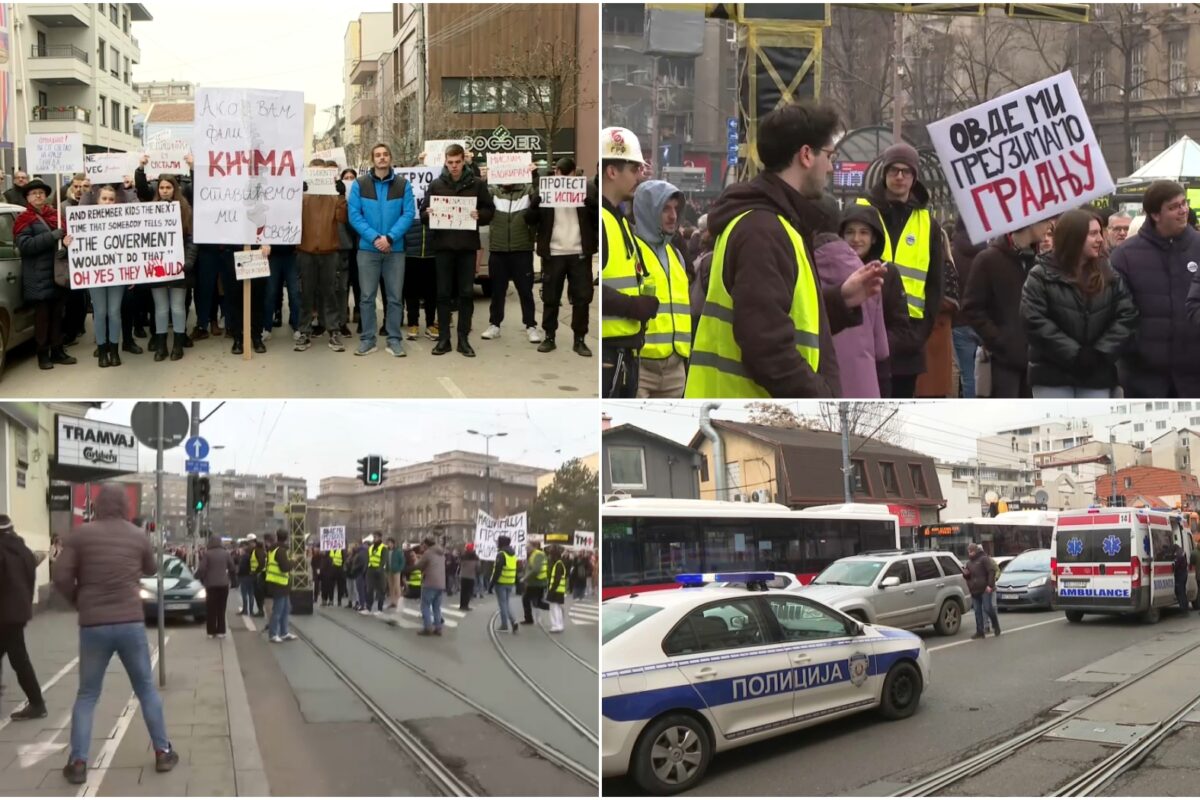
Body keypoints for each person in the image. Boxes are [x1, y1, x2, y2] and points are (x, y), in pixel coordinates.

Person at [685, 103, 885, 398]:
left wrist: (840, 300)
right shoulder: (764, 230)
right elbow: (767, 346)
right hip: (750, 405)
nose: (831, 167)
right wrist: (822, 397)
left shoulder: (770, 222)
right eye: (830, 156)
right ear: (806, 155)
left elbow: (778, 314)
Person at [53, 485, 178, 784]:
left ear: (97, 505)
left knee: (87, 694)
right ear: (125, 507)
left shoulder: (80, 534)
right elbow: (150, 568)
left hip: (93, 625)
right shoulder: (137, 536)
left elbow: (60, 575)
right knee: (146, 689)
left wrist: (78, 600)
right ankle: (162, 752)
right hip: (130, 621)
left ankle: (79, 762)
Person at [855, 143, 944, 398]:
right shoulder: (862, 209)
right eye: (894, 170)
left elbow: (935, 284)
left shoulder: (927, 222)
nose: (900, 177)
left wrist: (920, 334)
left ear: (914, 177)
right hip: (867, 328)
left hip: (909, 336)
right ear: (885, 173)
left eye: (906, 171)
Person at [1021, 208, 1139, 399]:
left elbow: (1126, 315)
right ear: (1073, 237)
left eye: (1100, 233)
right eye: (1093, 234)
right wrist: (1075, 354)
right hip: (1052, 375)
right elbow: (1033, 320)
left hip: (1097, 374)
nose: (1100, 239)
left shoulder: (1109, 274)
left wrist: (1100, 353)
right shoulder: (1040, 275)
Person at [1116, 180, 1200, 396]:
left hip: (1194, 376)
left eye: (1184, 203)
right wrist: (1135, 349)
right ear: (1155, 215)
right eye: (1174, 207)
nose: (1183, 211)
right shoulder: (1125, 256)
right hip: (1143, 378)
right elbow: (1117, 313)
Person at [961, 217, 1051, 398]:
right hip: (1002, 363)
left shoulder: (1039, 262)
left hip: (1036, 361)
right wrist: (999, 341)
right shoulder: (988, 259)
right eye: (1045, 221)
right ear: (1029, 221)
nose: (1049, 226)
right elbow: (972, 308)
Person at [420, 144, 494, 357]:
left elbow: (490, 210)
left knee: (465, 294)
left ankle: (463, 339)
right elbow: (423, 215)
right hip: (443, 248)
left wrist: (480, 215)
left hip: (466, 248)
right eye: (450, 162)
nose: (454, 166)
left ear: (464, 161)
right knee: (443, 294)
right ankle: (444, 339)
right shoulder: (435, 185)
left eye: (457, 162)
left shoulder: (477, 185)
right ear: (445, 162)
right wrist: (429, 212)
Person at [600, 126, 658, 397]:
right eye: (634, 168)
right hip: (609, 353)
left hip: (623, 350)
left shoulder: (618, 218)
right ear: (612, 172)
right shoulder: (601, 219)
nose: (640, 174)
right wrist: (633, 306)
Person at [348, 143, 415, 357]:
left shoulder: (403, 185)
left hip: (395, 250)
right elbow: (354, 216)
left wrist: (390, 238)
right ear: (372, 159)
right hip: (368, 249)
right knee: (367, 297)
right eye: (378, 155)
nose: (382, 158)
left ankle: (394, 339)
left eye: (385, 154)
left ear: (390, 158)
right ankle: (368, 339)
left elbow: (408, 214)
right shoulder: (360, 184)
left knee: (395, 297)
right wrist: (376, 238)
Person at [529, 156, 596, 356]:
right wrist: (536, 203)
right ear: (555, 173)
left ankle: (580, 339)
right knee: (551, 297)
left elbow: (596, 220)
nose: (564, 177)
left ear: (574, 174)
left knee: (582, 298)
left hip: (579, 253)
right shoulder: (545, 192)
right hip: (554, 252)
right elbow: (530, 219)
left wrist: (589, 203)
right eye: (560, 172)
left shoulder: (587, 191)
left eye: (567, 173)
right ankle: (550, 336)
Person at [632, 179, 692, 397]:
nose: (673, 216)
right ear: (648, 211)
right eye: (665, 208)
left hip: (676, 366)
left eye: (676, 209)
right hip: (641, 364)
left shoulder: (676, 255)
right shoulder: (632, 251)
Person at [825, 206, 890, 397]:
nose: (856, 239)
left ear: (874, 237)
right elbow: (881, 347)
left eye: (863, 232)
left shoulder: (807, 268)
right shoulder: (877, 274)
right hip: (864, 375)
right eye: (850, 232)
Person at [16, 178, 77, 370]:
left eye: (41, 193)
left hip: (57, 274)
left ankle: (57, 351)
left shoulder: (56, 216)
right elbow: (25, 246)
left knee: (58, 315)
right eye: (34, 193)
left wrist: (65, 246)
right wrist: (51, 237)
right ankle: (43, 354)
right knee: (42, 318)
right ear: (27, 197)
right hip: (38, 277)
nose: (38, 196)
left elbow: (68, 239)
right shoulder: (23, 220)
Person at [481, 164, 541, 343]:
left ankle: (531, 326)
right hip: (498, 249)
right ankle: (495, 325)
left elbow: (541, 195)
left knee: (525, 291)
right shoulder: (492, 191)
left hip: (522, 248)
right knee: (497, 291)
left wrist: (535, 174)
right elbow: (479, 196)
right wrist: (478, 171)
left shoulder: (528, 189)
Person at [295, 159, 348, 352]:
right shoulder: (303, 197)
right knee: (306, 293)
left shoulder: (333, 198)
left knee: (330, 293)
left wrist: (341, 195)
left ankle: (333, 331)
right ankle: (304, 331)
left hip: (329, 252)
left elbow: (342, 218)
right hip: (306, 251)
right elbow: (291, 216)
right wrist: (298, 193)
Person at [141, 172, 194, 361]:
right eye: (161, 188)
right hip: (157, 268)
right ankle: (161, 345)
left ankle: (178, 345)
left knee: (178, 307)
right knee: (161, 308)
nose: (164, 191)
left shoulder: (186, 209)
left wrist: (187, 262)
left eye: (168, 188)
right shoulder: (150, 210)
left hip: (179, 268)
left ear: (175, 189)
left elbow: (191, 240)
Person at [0, 515, 46, 721]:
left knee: (19, 659)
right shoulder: (25, 551)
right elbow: (29, 579)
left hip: (4, 614)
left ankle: (37, 704)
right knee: (16, 657)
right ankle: (36, 703)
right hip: (18, 611)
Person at [949, 217, 985, 398]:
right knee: (989, 371)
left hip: (959, 322)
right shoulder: (988, 253)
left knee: (968, 375)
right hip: (985, 322)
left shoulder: (952, 255)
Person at [402, 189, 438, 342]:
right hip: (411, 256)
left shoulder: (434, 202)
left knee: (431, 293)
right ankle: (413, 323)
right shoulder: (406, 206)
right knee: (411, 293)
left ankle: (430, 324)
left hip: (432, 256)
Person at [197, 534, 236, 639]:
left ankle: (211, 631)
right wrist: (233, 580)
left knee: (211, 608)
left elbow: (201, 569)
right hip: (223, 584)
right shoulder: (226, 554)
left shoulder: (207, 554)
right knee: (221, 608)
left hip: (210, 585)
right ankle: (221, 631)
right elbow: (232, 567)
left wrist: (201, 579)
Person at [337, 167, 360, 337]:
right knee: (341, 284)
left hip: (359, 246)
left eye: (352, 177)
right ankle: (342, 315)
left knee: (359, 282)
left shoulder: (359, 198)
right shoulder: (337, 199)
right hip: (343, 247)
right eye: (346, 177)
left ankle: (359, 312)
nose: (349, 179)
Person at [263, 531, 296, 643]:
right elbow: (285, 567)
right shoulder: (281, 551)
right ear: (286, 538)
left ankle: (284, 632)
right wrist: (293, 561)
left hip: (280, 584)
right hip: (279, 584)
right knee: (278, 610)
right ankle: (273, 634)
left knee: (285, 609)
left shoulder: (273, 550)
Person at [962, 542, 1000, 639]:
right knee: (977, 611)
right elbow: (968, 576)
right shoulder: (969, 563)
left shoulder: (984, 559)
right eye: (968, 551)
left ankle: (995, 625)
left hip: (985, 589)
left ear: (975, 551)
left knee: (988, 608)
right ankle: (980, 631)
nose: (970, 553)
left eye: (971, 551)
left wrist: (990, 585)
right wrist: (965, 574)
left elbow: (991, 571)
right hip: (974, 590)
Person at [415, 536, 446, 635]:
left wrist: (417, 561)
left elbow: (419, 566)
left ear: (426, 544)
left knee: (425, 605)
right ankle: (438, 628)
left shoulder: (428, 553)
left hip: (430, 582)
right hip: (441, 583)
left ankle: (427, 628)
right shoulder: (441, 553)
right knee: (437, 607)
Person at [492, 535, 519, 634]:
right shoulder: (512, 554)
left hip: (501, 582)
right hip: (510, 582)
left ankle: (505, 624)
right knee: (506, 603)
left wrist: (491, 584)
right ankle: (513, 621)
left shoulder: (501, 554)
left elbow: (497, 571)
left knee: (502, 604)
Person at [522, 538, 549, 626]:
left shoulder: (538, 555)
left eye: (528, 546)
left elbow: (536, 569)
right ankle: (529, 619)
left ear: (534, 546)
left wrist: (525, 578)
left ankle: (553, 608)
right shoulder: (533, 554)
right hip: (535, 582)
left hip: (537, 582)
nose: (526, 548)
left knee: (530, 600)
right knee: (535, 602)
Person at [545, 545, 568, 633]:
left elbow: (556, 579)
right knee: (557, 608)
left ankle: (556, 625)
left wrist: (551, 590)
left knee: (554, 608)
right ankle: (559, 625)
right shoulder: (560, 563)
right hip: (559, 590)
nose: (550, 557)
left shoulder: (558, 564)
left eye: (551, 555)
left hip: (556, 590)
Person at [364, 532, 387, 615]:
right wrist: (366, 569)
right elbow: (368, 558)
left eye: (376, 537)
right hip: (371, 570)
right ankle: (368, 608)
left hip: (379, 571)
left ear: (380, 538)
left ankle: (380, 609)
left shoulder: (383, 548)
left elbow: (384, 560)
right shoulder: (371, 548)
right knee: (369, 589)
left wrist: (379, 568)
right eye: (373, 537)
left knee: (381, 590)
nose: (374, 539)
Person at [237, 533, 258, 615]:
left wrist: (239, 574)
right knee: (250, 594)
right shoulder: (255, 551)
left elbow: (242, 566)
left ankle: (246, 610)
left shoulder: (246, 554)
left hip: (245, 576)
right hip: (251, 575)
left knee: (245, 594)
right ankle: (250, 610)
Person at [458, 542, 479, 610]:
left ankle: (462, 605)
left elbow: (459, 563)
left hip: (463, 576)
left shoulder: (463, 556)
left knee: (463, 591)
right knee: (468, 591)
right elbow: (478, 567)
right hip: (471, 576)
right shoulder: (475, 557)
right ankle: (466, 605)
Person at [1172, 543, 1190, 615]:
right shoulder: (1182, 551)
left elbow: (1176, 565)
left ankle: (1183, 610)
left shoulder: (1178, 554)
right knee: (1183, 591)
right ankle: (1185, 608)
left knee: (1180, 592)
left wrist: (1173, 567)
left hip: (1180, 574)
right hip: (1184, 573)